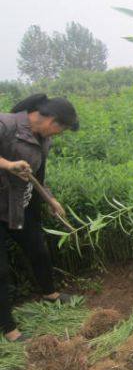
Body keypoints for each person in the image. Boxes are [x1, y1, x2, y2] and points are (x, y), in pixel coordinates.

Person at [0, 93, 79, 342]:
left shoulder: (43, 139)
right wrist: (7, 165)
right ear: (52, 121)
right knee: (0, 271)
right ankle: (9, 329)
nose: (59, 134)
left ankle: (50, 294)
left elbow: (39, 177)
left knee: (38, 249)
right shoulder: (6, 125)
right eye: (62, 129)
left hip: (17, 207)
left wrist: (51, 199)